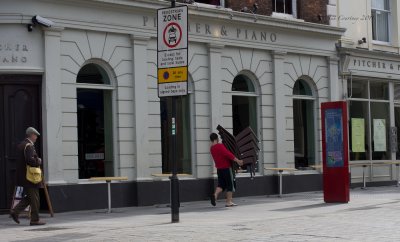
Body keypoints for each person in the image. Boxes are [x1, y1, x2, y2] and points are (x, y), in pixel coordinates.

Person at [10, 127, 46, 226]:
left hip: (23, 176)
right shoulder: (29, 146)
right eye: (35, 135)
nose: (36, 137)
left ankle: (15, 212)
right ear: (31, 135)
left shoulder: (21, 145)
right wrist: (38, 160)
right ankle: (34, 220)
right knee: (35, 199)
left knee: (30, 198)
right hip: (30, 177)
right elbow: (30, 161)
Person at [209, 133, 243, 207]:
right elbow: (228, 154)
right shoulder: (220, 146)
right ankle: (228, 202)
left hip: (219, 169)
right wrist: (238, 161)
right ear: (216, 139)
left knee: (221, 185)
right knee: (230, 185)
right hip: (226, 168)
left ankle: (215, 195)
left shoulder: (211, 148)